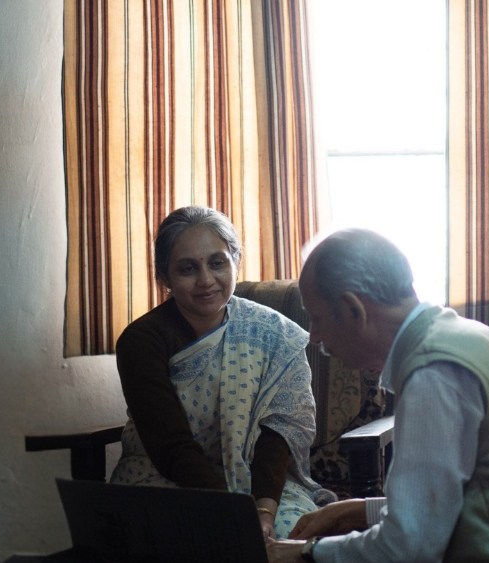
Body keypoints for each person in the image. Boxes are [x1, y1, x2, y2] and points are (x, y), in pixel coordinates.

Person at [267, 228, 489, 562]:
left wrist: (307, 552)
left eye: (316, 318)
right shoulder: (462, 337)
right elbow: (456, 501)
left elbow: (408, 548)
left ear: (353, 310)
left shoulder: (432, 374)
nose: (313, 336)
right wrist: (358, 510)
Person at [109, 205, 334, 540]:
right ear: (165, 277)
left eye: (217, 263)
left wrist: (263, 511)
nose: (205, 280)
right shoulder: (142, 341)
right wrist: (232, 515)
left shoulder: (274, 333)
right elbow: (170, 445)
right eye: (187, 268)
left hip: (260, 484)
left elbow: (280, 433)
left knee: (290, 537)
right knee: (184, 538)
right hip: (162, 476)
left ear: (235, 262)